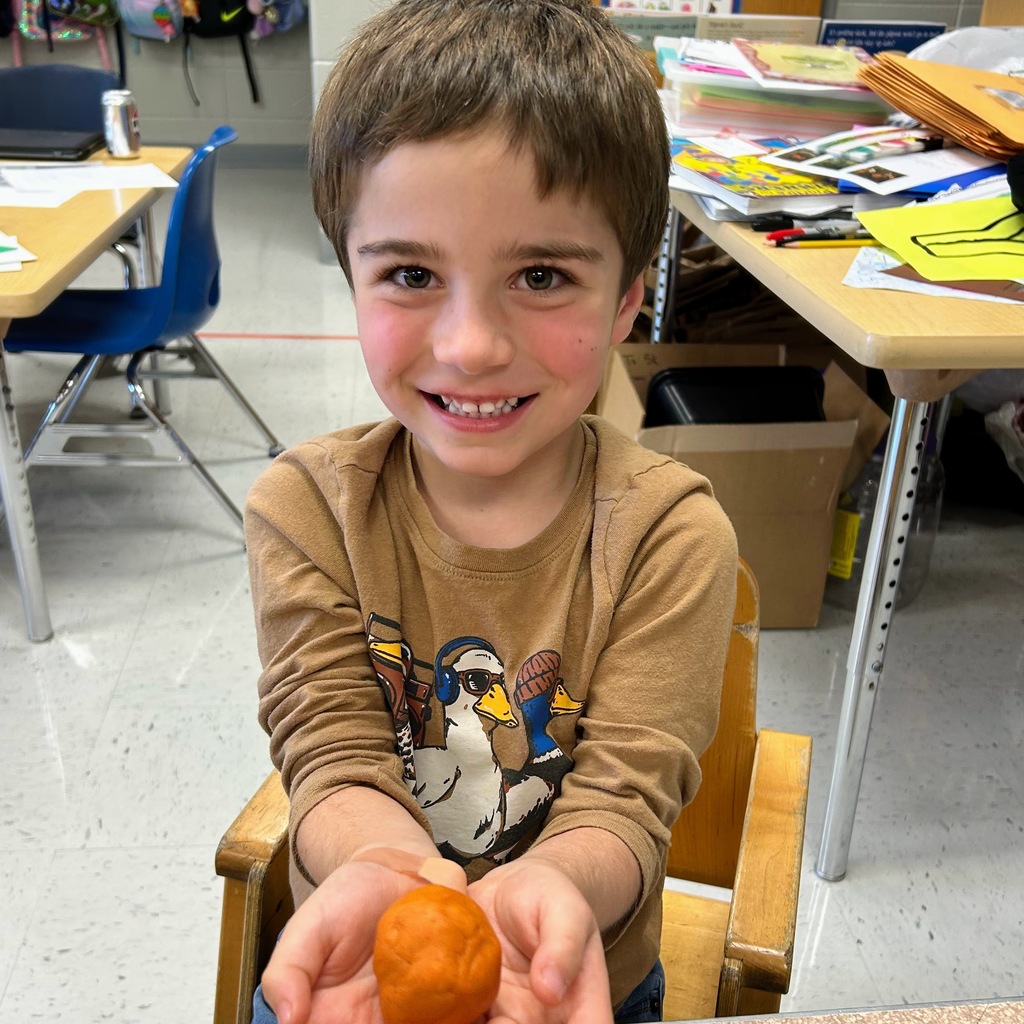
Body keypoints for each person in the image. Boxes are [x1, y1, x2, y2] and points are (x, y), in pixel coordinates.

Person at [243, 1, 738, 1022]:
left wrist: (549, 888)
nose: (470, 345)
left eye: (541, 275)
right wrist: (383, 864)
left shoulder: (670, 536)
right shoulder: (305, 508)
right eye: (411, 274)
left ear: (625, 300)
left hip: (574, 973)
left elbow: (624, 800)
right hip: (361, 966)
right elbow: (331, 749)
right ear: (350, 277)